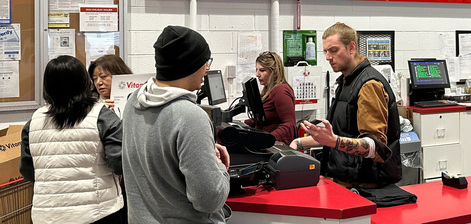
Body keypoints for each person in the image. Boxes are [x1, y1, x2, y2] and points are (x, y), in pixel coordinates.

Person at [122, 26, 230, 223]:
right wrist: (220, 167)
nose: (207, 69)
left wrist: (200, 151)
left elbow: (156, 154)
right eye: (205, 62)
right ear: (191, 65)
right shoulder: (190, 116)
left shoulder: (133, 102)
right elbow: (209, 200)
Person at [289, 22, 401, 188]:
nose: (328, 57)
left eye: (334, 50)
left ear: (351, 48)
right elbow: (341, 135)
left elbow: (374, 147)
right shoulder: (345, 81)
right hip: (345, 178)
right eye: (325, 51)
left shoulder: (369, 84)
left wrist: (333, 141)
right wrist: (299, 142)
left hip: (366, 185)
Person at [19, 55, 124, 224]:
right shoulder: (102, 115)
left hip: (47, 216)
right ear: (84, 82)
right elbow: (118, 163)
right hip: (98, 212)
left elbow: (27, 170)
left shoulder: (33, 122)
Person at [249, 51, 296, 144]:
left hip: (276, 147)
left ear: (274, 72)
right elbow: (261, 119)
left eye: (262, 70)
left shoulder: (281, 91)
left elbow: (289, 125)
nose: (257, 74)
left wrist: (268, 139)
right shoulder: (267, 90)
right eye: (257, 70)